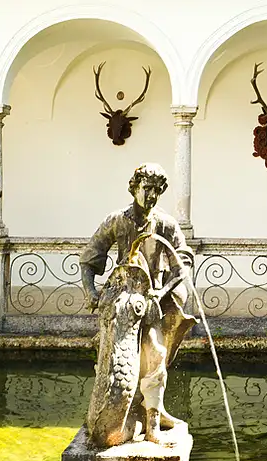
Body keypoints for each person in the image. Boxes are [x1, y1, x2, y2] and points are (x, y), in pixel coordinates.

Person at [79, 162, 196, 445]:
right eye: (146, 188)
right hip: (121, 301)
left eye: (157, 190)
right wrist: (91, 292)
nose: (151, 195)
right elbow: (89, 259)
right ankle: (110, 414)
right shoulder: (117, 220)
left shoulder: (165, 224)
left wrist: (162, 291)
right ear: (134, 188)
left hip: (153, 301)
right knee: (111, 356)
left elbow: (184, 262)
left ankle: (153, 423)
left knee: (155, 354)